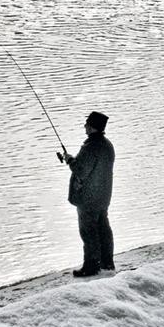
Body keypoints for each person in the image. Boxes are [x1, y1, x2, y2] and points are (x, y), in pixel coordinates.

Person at [62, 111, 115, 277]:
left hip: (88, 199)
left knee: (88, 232)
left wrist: (70, 160)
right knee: (103, 229)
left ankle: (91, 266)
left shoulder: (91, 147)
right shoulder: (107, 145)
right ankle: (107, 262)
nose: (84, 126)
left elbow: (81, 170)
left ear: (92, 128)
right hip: (103, 197)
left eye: (87, 123)